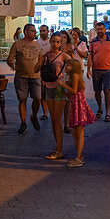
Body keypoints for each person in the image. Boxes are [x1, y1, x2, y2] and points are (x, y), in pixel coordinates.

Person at [7, 24, 43, 134]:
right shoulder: (17, 44)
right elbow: (10, 59)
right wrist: (13, 66)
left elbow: (41, 59)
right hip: (21, 77)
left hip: (35, 76)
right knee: (22, 99)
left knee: (37, 98)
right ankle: (23, 122)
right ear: (26, 32)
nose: (35, 33)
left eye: (35, 31)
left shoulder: (37, 45)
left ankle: (34, 116)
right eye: (32, 31)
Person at [40, 33, 70, 161]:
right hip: (48, 87)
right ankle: (58, 148)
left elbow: (75, 67)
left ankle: (59, 150)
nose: (55, 44)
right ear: (50, 42)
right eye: (53, 41)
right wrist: (42, 58)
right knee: (53, 119)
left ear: (61, 43)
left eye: (58, 42)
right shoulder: (47, 56)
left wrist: (67, 84)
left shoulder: (63, 55)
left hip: (59, 89)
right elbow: (37, 69)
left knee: (57, 119)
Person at [61, 58, 95, 168]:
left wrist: (63, 85)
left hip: (78, 104)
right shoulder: (69, 75)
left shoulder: (75, 75)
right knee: (75, 132)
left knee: (79, 132)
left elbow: (74, 90)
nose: (67, 67)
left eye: (69, 65)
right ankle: (78, 156)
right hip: (74, 103)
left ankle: (79, 157)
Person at [87, 21, 110, 119]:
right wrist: (88, 69)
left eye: (101, 29)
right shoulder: (92, 41)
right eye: (98, 29)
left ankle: (107, 113)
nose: (100, 31)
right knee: (97, 91)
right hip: (96, 70)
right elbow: (90, 56)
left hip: (108, 70)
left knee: (107, 91)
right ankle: (100, 108)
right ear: (96, 30)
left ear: (105, 30)